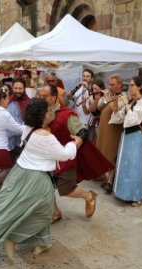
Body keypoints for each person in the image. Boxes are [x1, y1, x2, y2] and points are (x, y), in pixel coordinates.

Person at [0, 98, 82, 260]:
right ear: (42, 116)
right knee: (43, 212)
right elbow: (63, 155)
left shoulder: (28, 128)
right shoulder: (45, 136)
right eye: (47, 111)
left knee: (33, 209)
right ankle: (12, 238)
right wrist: (75, 143)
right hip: (36, 177)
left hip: (21, 172)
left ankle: (43, 242)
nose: (50, 113)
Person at [40, 84, 113, 222]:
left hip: (65, 157)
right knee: (46, 187)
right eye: (41, 95)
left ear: (54, 98)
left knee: (66, 189)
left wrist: (78, 142)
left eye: (45, 96)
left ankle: (89, 196)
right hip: (46, 157)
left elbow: (82, 132)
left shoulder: (66, 115)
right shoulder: (40, 112)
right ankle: (55, 212)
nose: (41, 98)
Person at [109, 76, 142, 206]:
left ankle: (138, 195)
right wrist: (115, 106)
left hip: (135, 137)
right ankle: (124, 193)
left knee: (134, 166)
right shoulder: (132, 101)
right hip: (126, 136)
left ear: (140, 87)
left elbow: (134, 120)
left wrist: (126, 103)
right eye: (130, 85)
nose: (130, 88)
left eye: (132, 85)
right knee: (125, 166)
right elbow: (120, 118)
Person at [96, 74, 125, 192]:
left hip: (113, 129)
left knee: (111, 154)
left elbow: (116, 110)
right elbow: (99, 107)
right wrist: (105, 98)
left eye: (112, 84)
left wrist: (109, 98)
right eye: (109, 84)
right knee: (102, 153)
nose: (110, 86)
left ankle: (110, 181)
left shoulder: (124, 96)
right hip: (103, 129)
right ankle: (107, 177)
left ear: (120, 85)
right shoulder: (109, 95)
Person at [6, 77, 30, 160]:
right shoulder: (7, 101)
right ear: (12, 88)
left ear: (24, 88)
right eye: (15, 88)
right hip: (9, 140)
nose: (18, 91)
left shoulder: (29, 102)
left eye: (20, 88)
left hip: (24, 140)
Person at [81, 79, 104, 144]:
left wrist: (96, 100)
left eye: (96, 89)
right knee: (91, 142)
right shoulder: (91, 97)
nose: (94, 91)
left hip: (101, 122)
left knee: (99, 143)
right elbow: (87, 112)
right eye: (93, 89)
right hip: (92, 122)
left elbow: (97, 109)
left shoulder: (105, 97)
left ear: (101, 88)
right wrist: (84, 105)